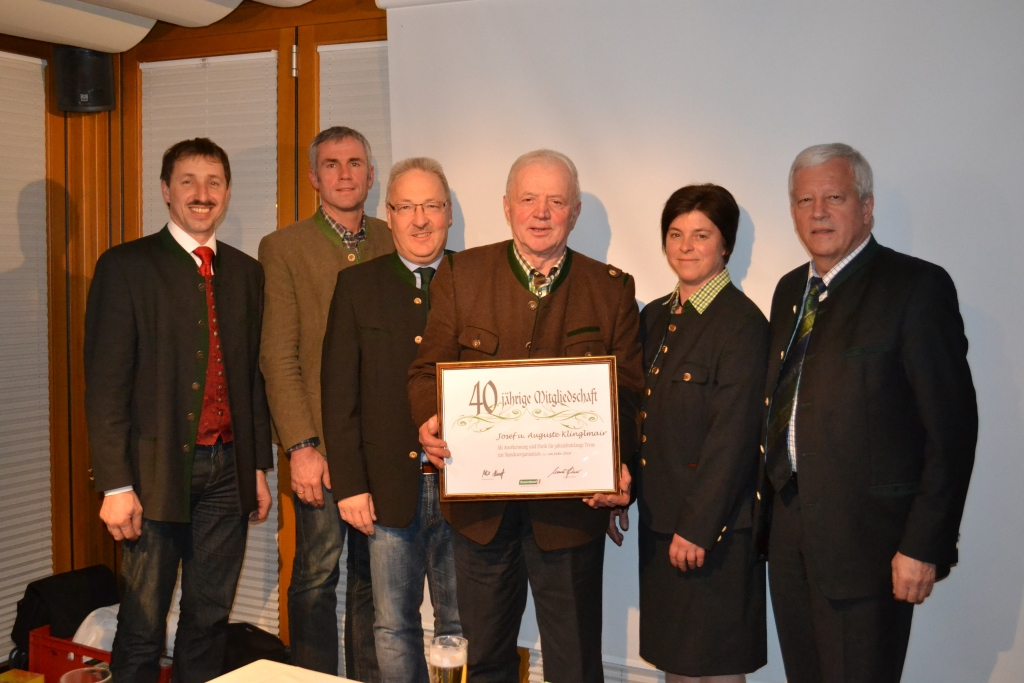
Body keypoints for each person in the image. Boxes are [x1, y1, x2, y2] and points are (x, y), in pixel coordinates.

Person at [409, 149, 643, 683]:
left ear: (574, 212)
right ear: (507, 207)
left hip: (570, 514)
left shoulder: (610, 289)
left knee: (575, 666)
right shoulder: (462, 274)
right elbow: (425, 373)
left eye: (556, 201)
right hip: (480, 514)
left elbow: (629, 394)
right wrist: (429, 420)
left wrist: (618, 462)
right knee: (486, 661)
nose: (541, 213)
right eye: (529, 199)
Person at [762, 143, 977, 682]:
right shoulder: (789, 291)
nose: (818, 213)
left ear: (867, 206)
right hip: (789, 542)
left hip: (871, 551)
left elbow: (951, 431)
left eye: (834, 198)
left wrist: (923, 545)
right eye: (804, 201)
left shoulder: (916, 288)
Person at [85, 138, 272, 682]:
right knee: (142, 624)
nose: (202, 193)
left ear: (227, 192)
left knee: (209, 620)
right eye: (188, 181)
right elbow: (105, 386)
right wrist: (116, 485)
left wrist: (256, 468)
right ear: (166, 190)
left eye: (214, 182)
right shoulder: (125, 267)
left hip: (228, 472)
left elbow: (252, 381)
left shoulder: (247, 273)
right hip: (153, 476)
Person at [322, 157, 461, 682]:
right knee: (392, 626)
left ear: (449, 214)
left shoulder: (475, 280)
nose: (420, 220)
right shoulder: (357, 285)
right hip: (385, 491)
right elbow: (339, 396)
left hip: (466, 490)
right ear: (390, 214)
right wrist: (350, 486)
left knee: (461, 624)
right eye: (406, 207)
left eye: (432, 206)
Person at [258, 126, 391, 678]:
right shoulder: (284, 248)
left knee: (373, 581)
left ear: (371, 175)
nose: (344, 174)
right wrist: (301, 446)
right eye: (331, 164)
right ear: (314, 178)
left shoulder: (394, 239)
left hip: (381, 447)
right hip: (320, 447)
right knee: (316, 576)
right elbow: (277, 356)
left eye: (355, 163)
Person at [637, 185, 768, 682]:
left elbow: (733, 439)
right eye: (675, 234)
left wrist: (697, 527)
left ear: (725, 244)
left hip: (712, 534)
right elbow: (639, 414)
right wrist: (618, 483)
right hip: (661, 525)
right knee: (677, 664)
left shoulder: (742, 324)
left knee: (714, 667)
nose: (686, 246)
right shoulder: (655, 316)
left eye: (701, 235)